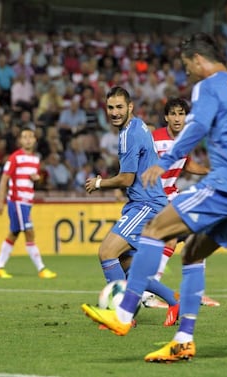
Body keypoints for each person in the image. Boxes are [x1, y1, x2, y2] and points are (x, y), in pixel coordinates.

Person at [81, 32, 227, 362]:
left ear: (198, 60)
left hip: (224, 184)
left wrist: (164, 163)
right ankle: (183, 341)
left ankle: (123, 315)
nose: (187, 74)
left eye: (186, 67)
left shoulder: (208, 86)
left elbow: (195, 128)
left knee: (155, 229)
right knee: (192, 254)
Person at [84, 86, 180, 326]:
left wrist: (99, 183)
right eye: (110, 108)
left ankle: (121, 314)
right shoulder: (138, 126)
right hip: (145, 202)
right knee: (128, 265)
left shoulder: (129, 134)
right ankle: (174, 300)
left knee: (107, 252)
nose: (114, 112)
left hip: (147, 204)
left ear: (130, 107)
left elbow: (126, 178)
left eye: (119, 107)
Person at [146, 97, 219, 308]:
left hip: (172, 194)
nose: (178, 118)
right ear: (166, 117)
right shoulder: (154, 139)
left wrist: (208, 171)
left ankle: (195, 293)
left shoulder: (186, 139)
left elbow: (187, 165)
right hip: (155, 197)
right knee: (170, 238)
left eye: (181, 113)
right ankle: (148, 293)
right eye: (174, 114)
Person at [0, 126, 57, 279]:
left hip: (27, 202)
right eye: (25, 137)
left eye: (30, 137)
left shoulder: (35, 159)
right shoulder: (15, 157)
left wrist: (37, 179)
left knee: (13, 233)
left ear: (35, 140)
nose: (28, 139)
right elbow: (4, 179)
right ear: (20, 140)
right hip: (17, 201)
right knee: (29, 233)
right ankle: (41, 269)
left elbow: (33, 181)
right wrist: (0, 201)